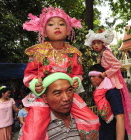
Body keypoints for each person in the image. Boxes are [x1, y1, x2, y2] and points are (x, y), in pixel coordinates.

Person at [21, 7, 99, 139]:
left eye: (61, 24)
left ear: (68, 30)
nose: (57, 27)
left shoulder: (74, 53)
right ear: (44, 32)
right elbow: (29, 74)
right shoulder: (38, 52)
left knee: (92, 119)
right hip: (43, 96)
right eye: (51, 24)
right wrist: (35, 84)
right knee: (34, 131)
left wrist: (76, 80)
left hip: (68, 95)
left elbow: (77, 73)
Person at [85, 29, 131, 135]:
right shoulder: (100, 55)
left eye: (99, 43)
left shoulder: (106, 53)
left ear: (103, 44)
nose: (96, 45)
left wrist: (105, 73)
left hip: (111, 82)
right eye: (94, 43)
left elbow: (117, 64)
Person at [19, 72, 85, 140]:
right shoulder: (31, 130)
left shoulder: (83, 121)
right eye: (57, 93)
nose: (66, 98)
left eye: (69, 90)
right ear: (45, 98)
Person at [89, 64, 129, 140]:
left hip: (114, 133)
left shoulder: (112, 92)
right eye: (90, 76)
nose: (91, 79)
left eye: (94, 76)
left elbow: (120, 117)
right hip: (105, 132)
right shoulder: (99, 93)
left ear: (102, 75)